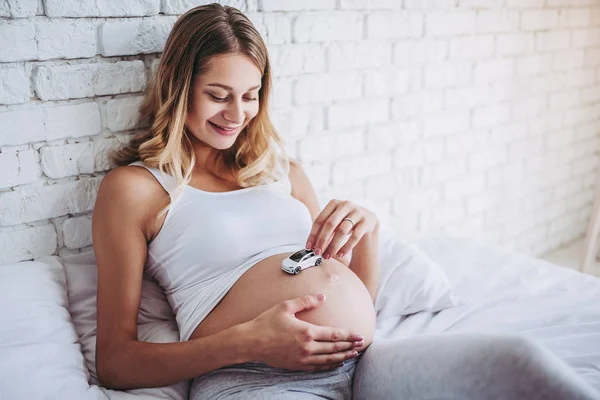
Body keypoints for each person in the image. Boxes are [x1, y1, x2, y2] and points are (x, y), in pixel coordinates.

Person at [92, 4, 600, 400]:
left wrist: (367, 231)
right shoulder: (135, 189)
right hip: (254, 377)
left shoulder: (280, 171)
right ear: (181, 89)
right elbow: (116, 361)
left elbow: (343, 288)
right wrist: (250, 342)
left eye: (251, 96)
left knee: (520, 365)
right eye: (218, 94)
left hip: (364, 363)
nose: (237, 113)